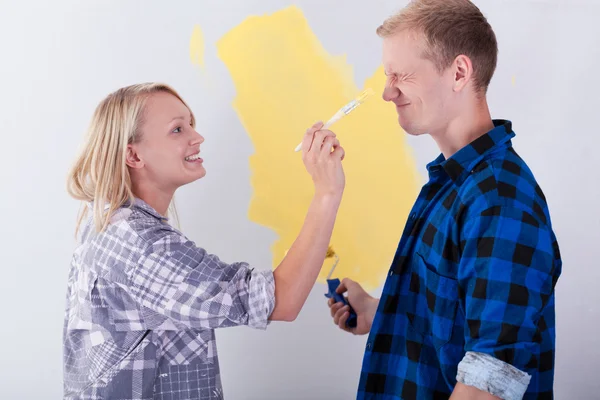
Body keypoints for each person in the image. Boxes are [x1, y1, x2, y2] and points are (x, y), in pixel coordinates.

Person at [326, 1, 562, 399]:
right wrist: (379, 309)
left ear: (458, 73)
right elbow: (460, 312)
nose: (387, 92)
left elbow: (489, 382)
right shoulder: (450, 182)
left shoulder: (499, 200)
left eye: (401, 75)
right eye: (387, 75)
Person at [63, 82, 345, 399]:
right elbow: (280, 300)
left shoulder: (110, 221)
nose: (197, 137)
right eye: (177, 129)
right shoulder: (141, 244)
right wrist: (327, 193)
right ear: (133, 154)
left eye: (191, 124)